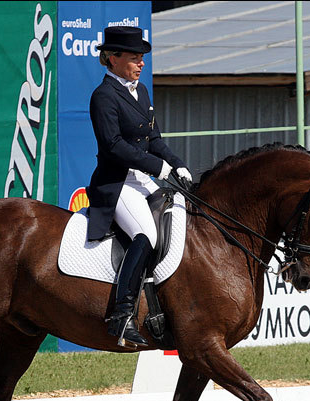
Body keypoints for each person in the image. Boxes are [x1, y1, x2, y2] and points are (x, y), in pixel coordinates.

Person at [86, 25, 193, 348]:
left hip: (142, 179)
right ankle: (121, 316)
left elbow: (154, 139)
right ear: (113, 58)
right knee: (146, 234)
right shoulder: (103, 96)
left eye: (142, 57)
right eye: (134, 57)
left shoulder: (141, 91)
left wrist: (177, 163)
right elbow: (113, 146)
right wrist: (157, 166)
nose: (141, 62)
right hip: (116, 182)